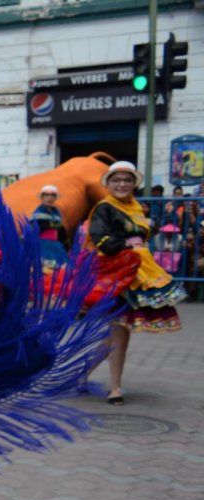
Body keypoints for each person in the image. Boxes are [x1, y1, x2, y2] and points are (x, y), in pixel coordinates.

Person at [88, 161, 186, 405]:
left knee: (114, 336)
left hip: (140, 272)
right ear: (108, 184)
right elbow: (100, 238)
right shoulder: (104, 208)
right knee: (119, 333)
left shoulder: (137, 208)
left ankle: (79, 376)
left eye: (127, 180)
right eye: (116, 180)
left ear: (134, 184)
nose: (122, 184)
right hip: (117, 273)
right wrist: (126, 246)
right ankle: (115, 388)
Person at [31, 184, 68, 269]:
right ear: (42, 197)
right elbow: (33, 230)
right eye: (46, 195)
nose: (49, 198)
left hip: (56, 246)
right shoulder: (38, 213)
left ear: (55, 198)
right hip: (42, 245)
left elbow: (61, 232)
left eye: (52, 195)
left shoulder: (56, 213)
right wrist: (50, 225)